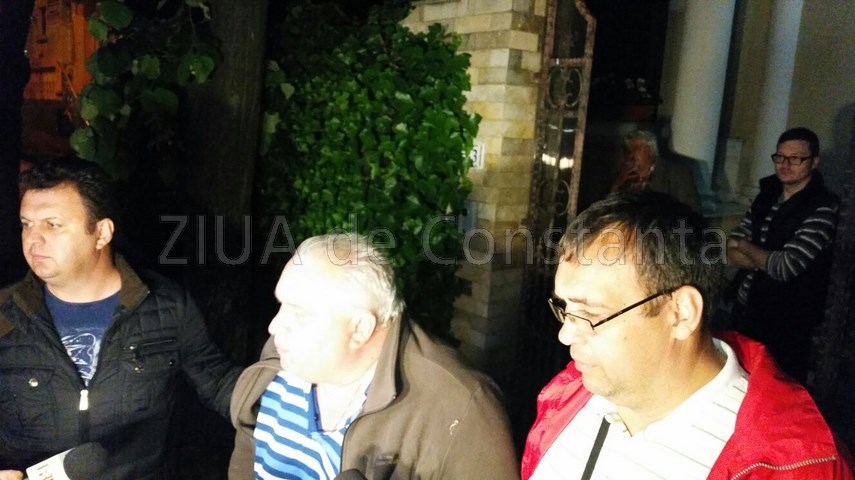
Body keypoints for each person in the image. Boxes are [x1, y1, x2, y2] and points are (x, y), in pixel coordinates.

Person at [521, 191, 853, 479]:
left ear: (681, 313)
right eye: (565, 308)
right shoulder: (568, 393)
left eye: (590, 314)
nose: (565, 335)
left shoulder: (795, 465)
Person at [0, 157, 242, 480]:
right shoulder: (5, 313)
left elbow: (219, 382)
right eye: (26, 224)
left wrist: (288, 407)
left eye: (52, 225)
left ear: (101, 233)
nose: (33, 239)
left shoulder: (166, 306)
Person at [229, 233, 519, 479]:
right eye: (281, 305)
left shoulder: (461, 410)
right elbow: (247, 458)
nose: (275, 326)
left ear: (360, 329)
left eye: (299, 313)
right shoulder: (281, 358)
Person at [726, 127, 840, 383]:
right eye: (780, 157)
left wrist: (745, 246)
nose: (785, 164)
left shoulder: (822, 207)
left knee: (775, 388)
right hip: (746, 310)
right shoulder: (767, 195)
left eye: (796, 158)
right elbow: (728, 251)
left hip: (786, 322)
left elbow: (785, 267)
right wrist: (763, 258)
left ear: (814, 161)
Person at [611, 129, 701, 211]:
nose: (630, 154)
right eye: (628, 150)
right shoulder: (622, 178)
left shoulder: (676, 174)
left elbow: (691, 213)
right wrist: (616, 185)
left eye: (635, 148)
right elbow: (610, 210)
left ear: (651, 151)